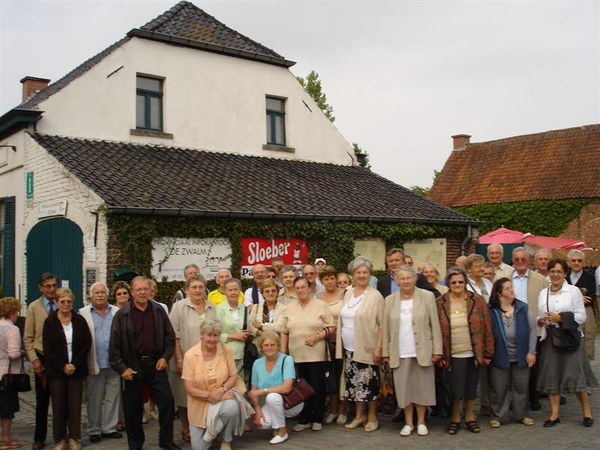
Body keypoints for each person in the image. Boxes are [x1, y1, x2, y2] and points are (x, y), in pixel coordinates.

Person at [109, 276, 179, 450]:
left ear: (150, 291)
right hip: (132, 367)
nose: (142, 292)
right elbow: (114, 347)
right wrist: (122, 368)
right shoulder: (122, 314)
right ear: (132, 292)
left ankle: (166, 440)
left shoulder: (158, 311)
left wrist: (165, 357)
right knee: (132, 410)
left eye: (145, 289)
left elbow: (170, 337)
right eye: (138, 289)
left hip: (156, 365)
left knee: (168, 403)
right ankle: (135, 444)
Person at [536, 258, 597, 428]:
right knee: (552, 376)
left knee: (576, 375)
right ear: (549, 273)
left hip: (571, 339)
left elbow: (581, 316)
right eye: (552, 271)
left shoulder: (573, 291)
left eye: (559, 272)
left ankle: (586, 412)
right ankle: (554, 414)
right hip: (551, 339)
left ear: (565, 274)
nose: (555, 275)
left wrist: (560, 318)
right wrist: (541, 320)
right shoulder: (543, 293)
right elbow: (538, 315)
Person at [382, 265, 442, 437]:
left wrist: (437, 349)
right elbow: (385, 329)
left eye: (409, 278)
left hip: (422, 349)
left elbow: (434, 325)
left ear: (415, 279)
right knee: (404, 388)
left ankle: (421, 421)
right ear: (397, 280)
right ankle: (408, 423)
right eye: (402, 278)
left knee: (422, 387)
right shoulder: (389, 300)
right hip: (400, 351)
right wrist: (385, 352)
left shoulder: (427, 296)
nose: (406, 281)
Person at [436, 267, 494, 435]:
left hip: (473, 351)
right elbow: (435, 330)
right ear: (448, 283)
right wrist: (439, 353)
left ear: (465, 283)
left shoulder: (478, 300)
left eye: (461, 282)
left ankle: (469, 415)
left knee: (470, 387)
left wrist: (488, 352)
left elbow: (487, 327)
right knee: (455, 388)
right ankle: (455, 417)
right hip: (452, 352)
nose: (457, 284)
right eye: (454, 282)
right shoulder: (440, 302)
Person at [182, 319, 250, 450]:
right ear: (201, 335)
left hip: (223, 398)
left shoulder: (225, 350)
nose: (212, 339)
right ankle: (216, 428)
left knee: (231, 408)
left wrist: (222, 390)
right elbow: (189, 389)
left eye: (215, 335)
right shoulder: (190, 355)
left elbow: (233, 376)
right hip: (199, 404)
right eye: (209, 335)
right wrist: (215, 396)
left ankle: (226, 439)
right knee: (199, 447)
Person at [336, 256, 384, 433]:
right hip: (349, 348)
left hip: (367, 347)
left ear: (370, 275)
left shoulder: (375, 296)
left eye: (365, 272)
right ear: (352, 275)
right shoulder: (348, 293)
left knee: (369, 383)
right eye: (358, 272)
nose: (362, 275)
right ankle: (359, 415)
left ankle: (372, 417)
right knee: (354, 384)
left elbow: (382, 324)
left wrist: (379, 347)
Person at [281, 277, 335, 432]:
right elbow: (284, 331)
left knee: (316, 386)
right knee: (300, 388)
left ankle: (317, 418)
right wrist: (284, 352)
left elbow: (332, 326)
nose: (300, 290)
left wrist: (317, 337)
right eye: (297, 288)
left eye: (303, 287)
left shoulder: (320, 305)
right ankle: (304, 418)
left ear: (310, 288)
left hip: (316, 354)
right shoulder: (290, 308)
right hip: (297, 355)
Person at [169, 274, 217, 444]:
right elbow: (172, 335)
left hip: (208, 360)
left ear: (205, 289)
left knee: (205, 392)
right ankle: (185, 427)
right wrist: (179, 358)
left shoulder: (212, 307)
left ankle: (206, 426)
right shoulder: (179, 307)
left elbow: (215, 333)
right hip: (185, 358)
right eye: (194, 287)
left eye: (200, 287)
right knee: (184, 396)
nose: (197, 290)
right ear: (187, 290)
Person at [43, 288, 92, 450]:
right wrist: (63, 365)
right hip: (57, 371)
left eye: (68, 301)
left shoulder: (79, 321)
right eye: (62, 301)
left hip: (76, 370)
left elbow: (86, 344)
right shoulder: (49, 322)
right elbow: (47, 349)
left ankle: (74, 438)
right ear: (57, 302)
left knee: (74, 406)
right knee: (58, 406)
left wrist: (74, 365)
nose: (65, 304)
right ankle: (59, 438)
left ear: (72, 302)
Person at [487, 278, 537, 428]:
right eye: (508, 288)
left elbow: (533, 330)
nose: (512, 290)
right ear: (499, 293)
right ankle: (499, 416)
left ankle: (520, 415)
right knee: (499, 387)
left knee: (521, 387)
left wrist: (531, 352)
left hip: (521, 354)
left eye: (512, 287)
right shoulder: (491, 310)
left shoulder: (523, 308)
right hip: (500, 355)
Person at [79, 283, 122, 443]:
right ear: (91, 295)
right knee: (94, 398)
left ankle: (109, 428)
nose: (100, 295)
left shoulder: (116, 311)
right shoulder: (83, 313)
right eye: (96, 292)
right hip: (94, 362)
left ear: (107, 294)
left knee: (113, 397)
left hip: (114, 362)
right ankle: (94, 430)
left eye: (103, 292)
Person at [248, 331, 304, 445]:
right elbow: (253, 392)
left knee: (272, 397)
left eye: (272, 345)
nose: (269, 348)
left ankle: (282, 431)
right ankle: (277, 426)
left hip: (292, 403)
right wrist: (257, 410)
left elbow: (287, 388)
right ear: (261, 347)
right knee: (262, 423)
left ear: (278, 346)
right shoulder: (257, 363)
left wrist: (263, 390)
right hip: (273, 403)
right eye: (266, 345)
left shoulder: (286, 359)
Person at [509, 247, 548, 411]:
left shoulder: (540, 280)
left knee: (533, 364)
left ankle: (533, 396)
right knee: (514, 364)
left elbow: (546, 302)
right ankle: (514, 399)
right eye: (516, 259)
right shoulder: (504, 279)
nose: (519, 262)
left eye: (523, 259)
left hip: (534, 328)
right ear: (513, 261)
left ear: (529, 261)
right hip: (511, 328)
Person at [24, 272, 59, 450]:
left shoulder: (63, 303)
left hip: (60, 359)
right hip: (42, 359)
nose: (52, 289)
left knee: (61, 400)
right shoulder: (34, 308)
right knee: (42, 401)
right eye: (48, 286)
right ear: (41, 288)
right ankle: (40, 437)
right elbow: (28, 338)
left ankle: (61, 435)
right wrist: (34, 360)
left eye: (54, 285)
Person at [316, 265, 346, 424]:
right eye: (326, 279)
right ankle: (332, 409)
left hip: (341, 341)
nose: (329, 281)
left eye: (332, 278)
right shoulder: (318, 297)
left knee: (342, 375)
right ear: (322, 281)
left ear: (336, 279)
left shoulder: (344, 294)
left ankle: (342, 409)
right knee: (330, 376)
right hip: (324, 342)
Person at [0, 297, 24, 450]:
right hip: (6, 375)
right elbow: (13, 353)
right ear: (12, 312)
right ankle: (5, 438)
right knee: (7, 409)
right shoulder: (12, 329)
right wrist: (22, 352)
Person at [565, 249, 597, 361]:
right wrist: (579, 297)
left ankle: (587, 365)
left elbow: (590, 298)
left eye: (579, 260)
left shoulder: (590, 277)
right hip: (567, 311)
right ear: (568, 262)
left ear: (583, 262)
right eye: (573, 260)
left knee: (588, 338)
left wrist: (571, 297)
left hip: (587, 311)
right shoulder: (564, 277)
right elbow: (562, 294)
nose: (576, 263)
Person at [217, 278, 249, 375]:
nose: (233, 292)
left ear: (240, 291)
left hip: (244, 354)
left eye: (236, 289)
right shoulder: (219, 310)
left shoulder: (245, 308)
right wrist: (234, 336)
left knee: (243, 384)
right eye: (230, 290)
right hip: (226, 354)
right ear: (225, 292)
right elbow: (215, 336)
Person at [111, 281, 131, 432]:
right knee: (116, 390)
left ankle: (129, 416)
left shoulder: (133, 310)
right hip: (117, 356)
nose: (122, 296)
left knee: (130, 390)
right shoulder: (112, 312)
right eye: (119, 294)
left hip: (131, 355)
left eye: (125, 293)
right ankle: (118, 419)